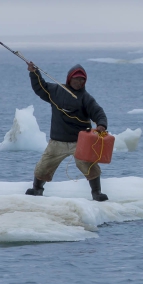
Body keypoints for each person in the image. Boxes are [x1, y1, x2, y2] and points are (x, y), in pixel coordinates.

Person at [23, 61, 110, 201]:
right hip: (57, 141)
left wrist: (101, 125)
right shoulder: (56, 91)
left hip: (80, 142)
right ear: (70, 78)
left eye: (82, 79)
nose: (79, 82)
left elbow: (99, 113)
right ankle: (37, 189)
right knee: (43, 167)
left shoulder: (86, 98)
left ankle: (96, 192)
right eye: (77, 78)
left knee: (89, 166)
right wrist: (34, 73)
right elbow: (40, 87)